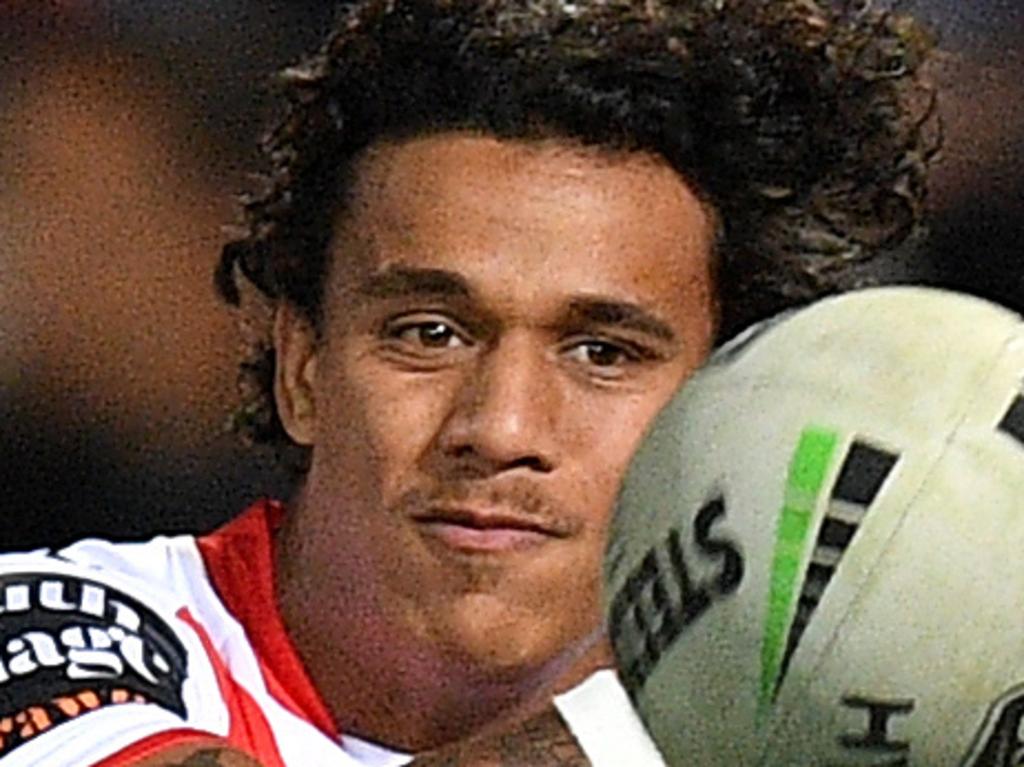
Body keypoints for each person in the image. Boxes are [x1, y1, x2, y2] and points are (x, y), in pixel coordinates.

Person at [0, 1, 935, 764]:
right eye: (430, 333)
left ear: (718, 414)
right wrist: (688, 706)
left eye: (601, 352)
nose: (501, 425)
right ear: (303, 370)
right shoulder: (55, 628)